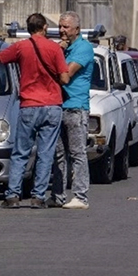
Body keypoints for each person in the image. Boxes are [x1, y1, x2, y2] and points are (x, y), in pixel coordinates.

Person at [0, 13, 70, 209]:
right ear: (43, 28)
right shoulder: (54, 48)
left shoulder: (21, 47)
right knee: (46, 153)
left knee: (20, 152)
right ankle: (38, 197)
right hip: (52, 106)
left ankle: (13, 195)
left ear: (29, 28)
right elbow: (65, 79)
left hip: (29, 105)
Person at [49, 11, 94, 210]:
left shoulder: (83, 48)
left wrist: (58, 54)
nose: (61, 30)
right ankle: (58, 195)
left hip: (76, 107)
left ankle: (80, 196)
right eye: (60, 26)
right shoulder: (64, 49)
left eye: (65, 27)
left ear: (76, 29)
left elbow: (65, 74)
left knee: (77, 153)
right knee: (58, 154)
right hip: (60, 106)